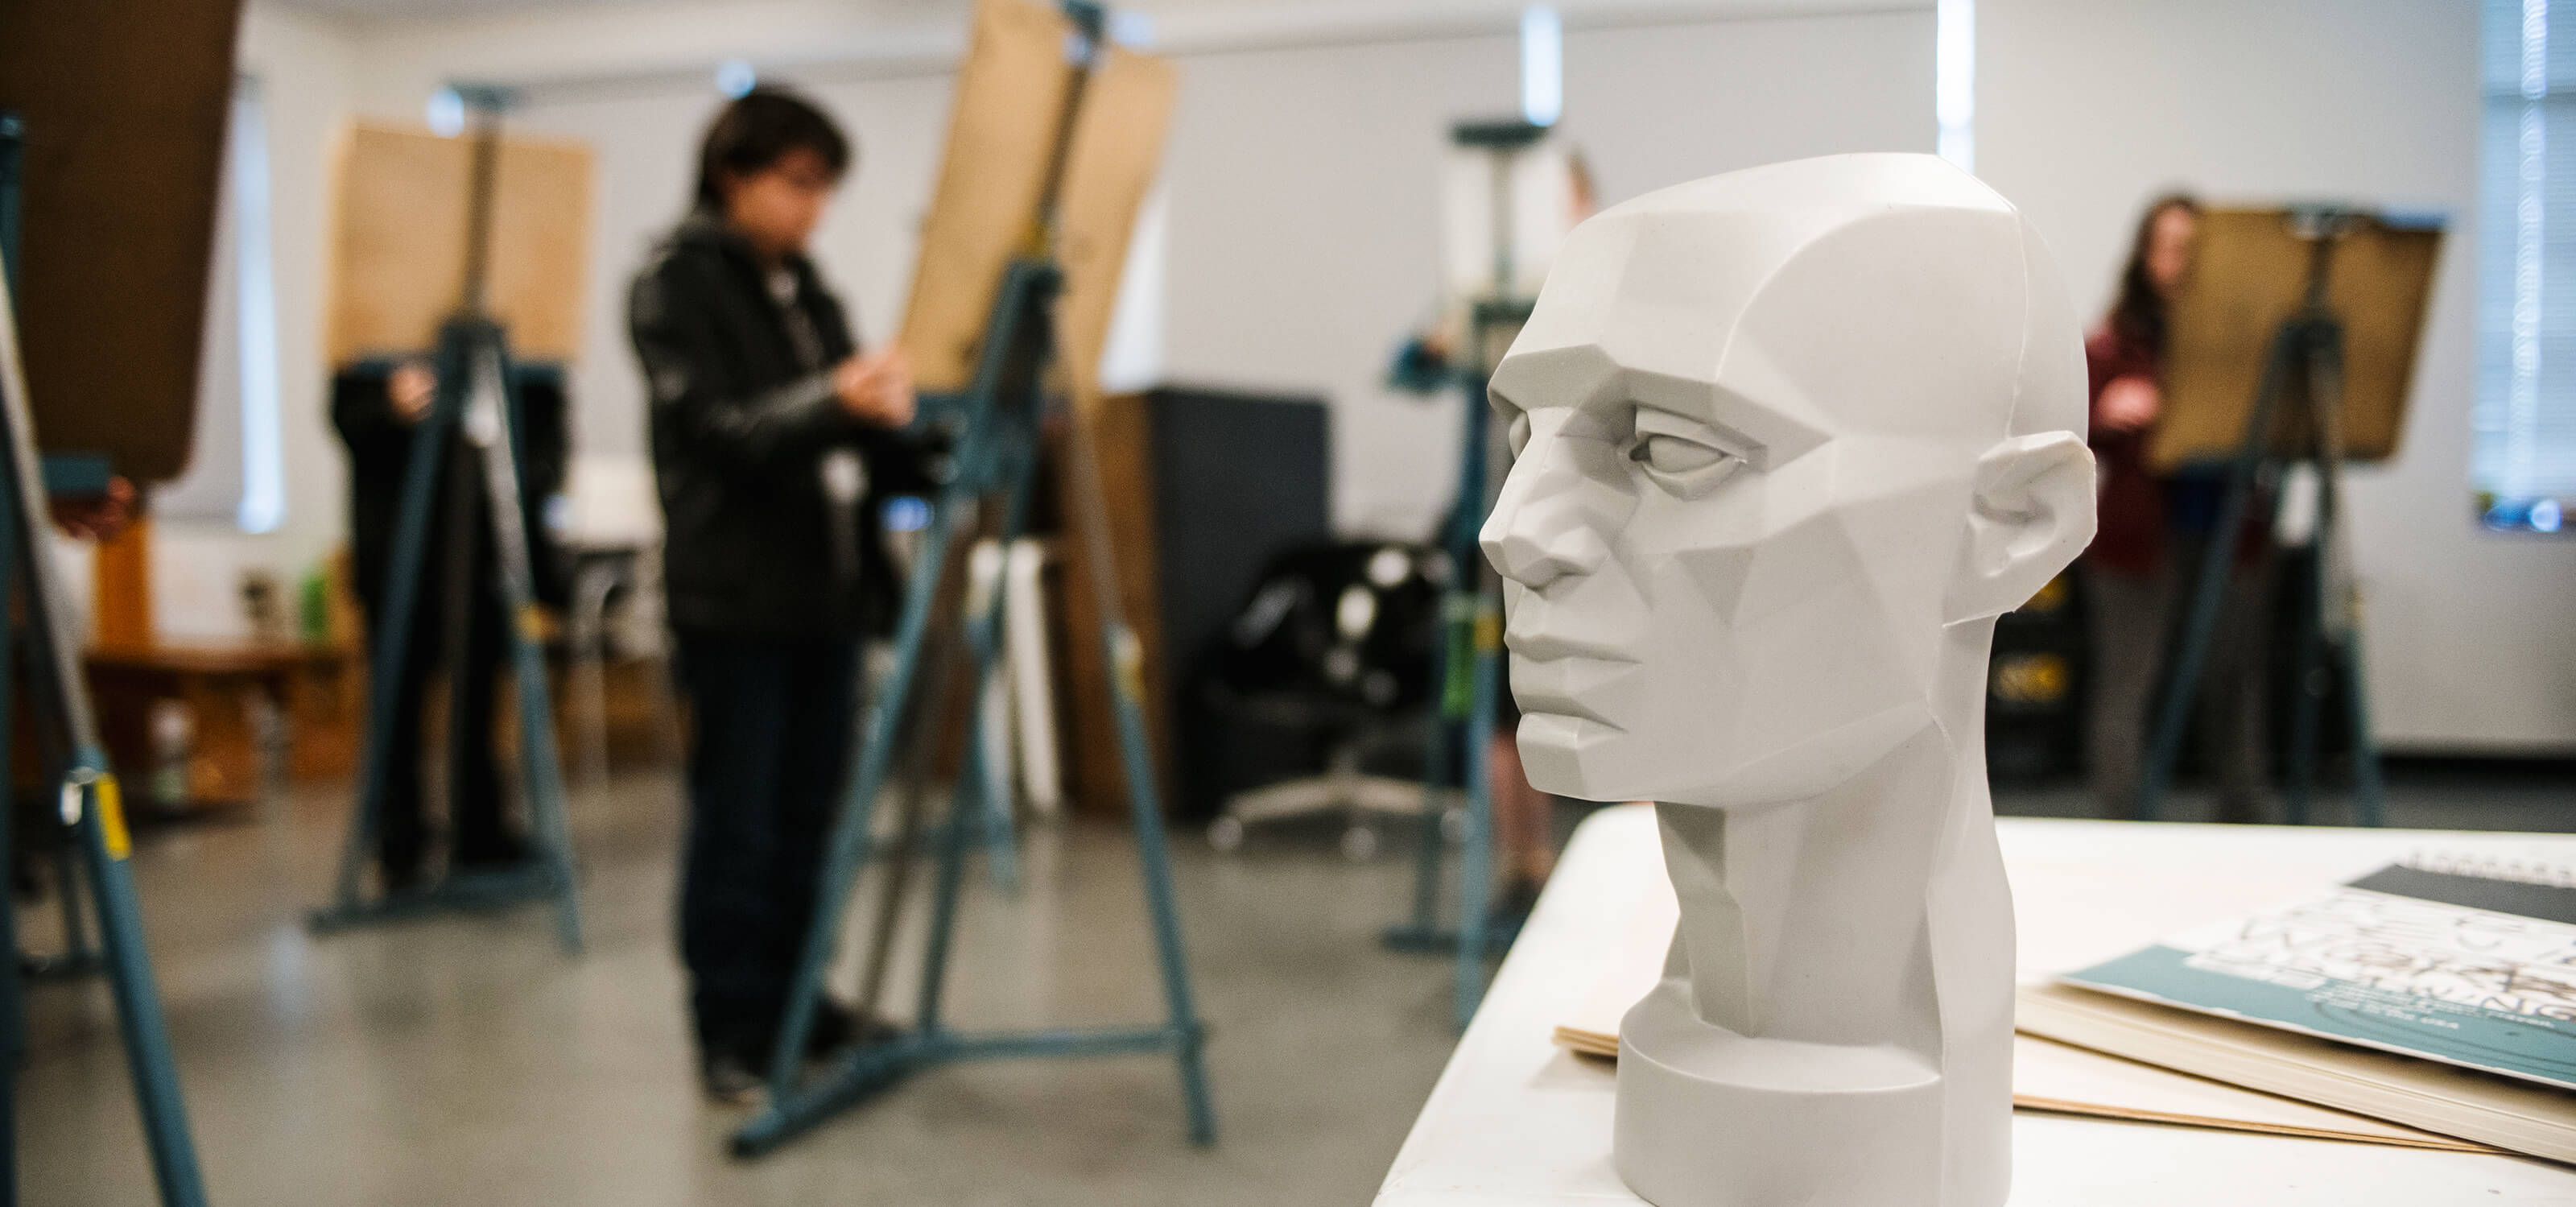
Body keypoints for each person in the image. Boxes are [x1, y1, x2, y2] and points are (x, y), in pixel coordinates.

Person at [628, 87, 929, 1102]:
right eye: (797, 183)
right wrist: (835, 402)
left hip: (825, 595)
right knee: (739, 825)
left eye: (824, 188)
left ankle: (806, 1001)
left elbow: (849, 430)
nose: (813, 208)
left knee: (810, 818)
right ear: (735, 173)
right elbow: (729, 435)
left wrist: (902, 425)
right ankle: (731, 1027)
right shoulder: (674, 285)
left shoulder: (809, 290)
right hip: (733, 601)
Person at [332, 358, 568, 889]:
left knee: (480, 694)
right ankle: (401, 843)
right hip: (398, 537)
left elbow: (548, 411)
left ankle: (480, 835)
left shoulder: (521, 312)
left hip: (483, 539)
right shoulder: (372, 317)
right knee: (397, 699)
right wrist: (389, 406)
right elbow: (347, 414)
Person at [2084, 192, 2274, 822]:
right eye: (2169, 246)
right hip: (2141, 536)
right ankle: (2123, 822)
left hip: (2230, 531)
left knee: (2236, 682)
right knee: (2129, 681)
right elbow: (2068, 427)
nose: (2180, 261)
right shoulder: (2110, 344)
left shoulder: (2244, 346)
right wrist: (2108, 411)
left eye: (2193, 249)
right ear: (2145, 256)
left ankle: (2245, 816)